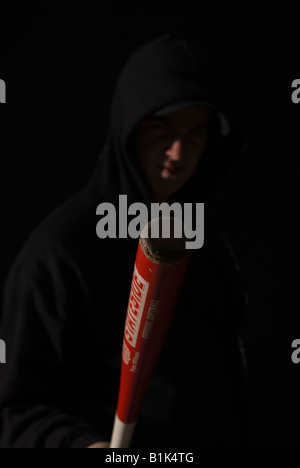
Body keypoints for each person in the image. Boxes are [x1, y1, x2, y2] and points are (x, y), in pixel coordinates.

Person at [0, 35, 247, 448]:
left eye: (196, 131)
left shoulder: (209, 252)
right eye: (161, 127)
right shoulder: (61, 250)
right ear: (128, 127)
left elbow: (228, 404)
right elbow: (14, 409)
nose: (177, 151)